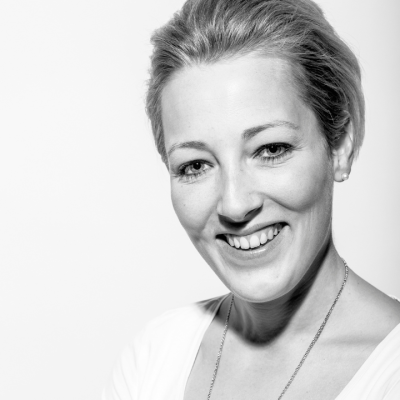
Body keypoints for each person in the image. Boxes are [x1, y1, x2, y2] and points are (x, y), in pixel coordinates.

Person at [103, 0, 400, 398]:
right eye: (195, 166)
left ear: (340, 145)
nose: (234, 204)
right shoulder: (155, 356)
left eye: (271, 149)